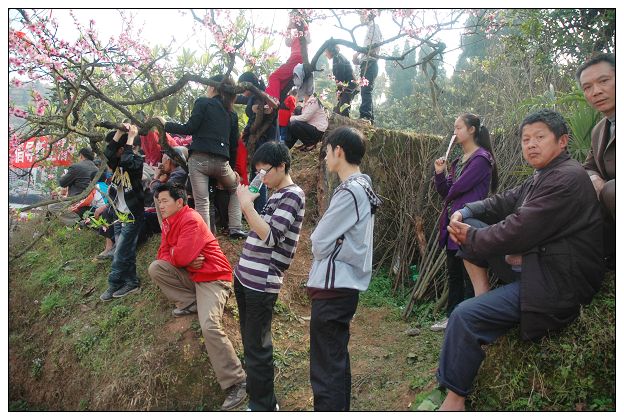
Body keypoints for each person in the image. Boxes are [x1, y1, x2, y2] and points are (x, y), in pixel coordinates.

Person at [436, 109, 604, 411]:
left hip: (557, 281)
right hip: (539, 261)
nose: (531, 145)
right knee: (470, 227)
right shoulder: (543, 174)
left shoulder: (564, 178)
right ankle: (484, 294)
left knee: (464, 315)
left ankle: (454, 398)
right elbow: (504, 201)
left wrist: (472, 238)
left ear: (562, 141)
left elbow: (520, 228)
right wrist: (468, 211)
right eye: (526, 139)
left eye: (540, 137)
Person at [148, 183, 247, 411]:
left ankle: (237, 382)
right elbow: (166, 254)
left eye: (165, 201)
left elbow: (179, 254)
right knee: (156, 268)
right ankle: (191, 302)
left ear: (180, 202)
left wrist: (181, 257)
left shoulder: (190, 219)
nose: (161, 205)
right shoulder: (168, 222)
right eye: (159, 201)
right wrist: (182, 258)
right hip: (193, 275)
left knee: (210, 325)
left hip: (213, 277)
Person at [306, 127, 381, 411]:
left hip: (333, 287)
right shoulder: (363, 188)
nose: (325, 157)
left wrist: (322, 249)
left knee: (326, 370)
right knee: (335, 362)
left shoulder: (350, 191)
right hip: (342, 287)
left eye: (327, 151)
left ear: (339, 150)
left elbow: (319, 240)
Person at [233, 142, 305, 411]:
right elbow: (258, 231)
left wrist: (247, 206)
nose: (260, 178)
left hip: (262, 283)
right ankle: (259, 396)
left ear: (282, 166)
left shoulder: (294, 195)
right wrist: (249, 206)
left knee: (257, 346)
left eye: (263, 172)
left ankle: (263, 407)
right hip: (245, 277)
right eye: (257, 173)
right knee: (250, 341)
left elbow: (272, 236)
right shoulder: (275, 194)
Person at [430, 114, 498, 332]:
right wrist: (440, 173)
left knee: (471, 276)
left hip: (468, 224)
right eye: (454, 128)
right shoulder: (459, 161)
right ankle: (452, 318)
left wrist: (447, 182)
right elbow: (445, 192)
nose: (455, 132)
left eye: (458, 128)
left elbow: (455, 189)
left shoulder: (481, 159)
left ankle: (470, 318)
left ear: (471, 130)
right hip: (452, 223)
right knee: (454, 273)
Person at [161, 74, 246, 239]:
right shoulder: (231, 114)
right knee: (235, 189)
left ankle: (207, 238)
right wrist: (233, 168)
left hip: (199, 160)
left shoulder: (203, 103)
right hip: (221, 163)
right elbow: (234, 145)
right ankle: (235, 227)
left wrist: (166, 125)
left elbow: (190, 128)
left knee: (202, 201)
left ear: (212, 87)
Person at [577, 52, 615, 268]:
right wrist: (594, 179)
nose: (596, 91)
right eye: (587, 87)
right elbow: (589, 166)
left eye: (604, 81)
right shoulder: (599, 129)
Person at [99, 124, 146, 301]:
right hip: (120, 214)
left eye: (122, 148)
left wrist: (131, 138)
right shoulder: (116, 161)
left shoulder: (136, 161)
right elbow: (108, 154)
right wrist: (119, 132)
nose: (119, 152)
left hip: (133, 215)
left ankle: (114, 283)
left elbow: (127, 160)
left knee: (120, 251)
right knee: (126, 251)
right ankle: (131, 282)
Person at [237, 71, 274, 214]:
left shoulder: (260, 96)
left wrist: (257, 110)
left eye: (242, 86)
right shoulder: (254, 96)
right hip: (258, 141)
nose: (240, 89)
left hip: (262, 142)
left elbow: (269, 110)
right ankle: (257, 210)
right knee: (257, 176)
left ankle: (261, 211)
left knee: (260, 176)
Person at [265, 12, 310, 106]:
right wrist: (289, 28)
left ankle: (273, 99)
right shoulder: (296, 34)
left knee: (274, 77)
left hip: (297, 59)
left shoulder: (303, 31)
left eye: (293, 19)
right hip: (294, 59)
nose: (292, 21)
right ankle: (272, 103)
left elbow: (309, 39)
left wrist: (302, 22)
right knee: (281, 83)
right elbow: (287, 43)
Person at [47, 147, 99, 225]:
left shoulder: (77, 166)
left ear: (81, 156)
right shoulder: (97, 169)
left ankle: (75, 222)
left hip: (77, 200)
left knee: (52, 207)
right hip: (92, 200)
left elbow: (62, 183)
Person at [353, 11, 382, 124]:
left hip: (370, 63)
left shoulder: (374, 27)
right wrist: (358, 59)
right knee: (366, 91)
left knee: (366, 91)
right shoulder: (370, 28)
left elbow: (373, 47)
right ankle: (370, 119)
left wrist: (358, 52)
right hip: (366, 63)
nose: (361, 18)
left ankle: (365, 117)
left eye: (362, 15)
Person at [149, 147, 189, 226]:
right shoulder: (178, 171)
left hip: (183, 209)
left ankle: (166, 227)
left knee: (158, 196)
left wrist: (156, 177)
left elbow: (159, 191)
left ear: (168, 161)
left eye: (162, 160)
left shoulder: (179, 173)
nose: (161, 164)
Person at [325, 45, 358, 117]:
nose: (325, 54)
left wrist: (339, 91)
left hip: (348, 86)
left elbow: (340, 76)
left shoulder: (337, 59)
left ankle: (345, 125)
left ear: (330, 51)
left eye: (326, 51)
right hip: (348, 85)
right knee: (339, 109)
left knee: (343, 110)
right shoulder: (338, 57)